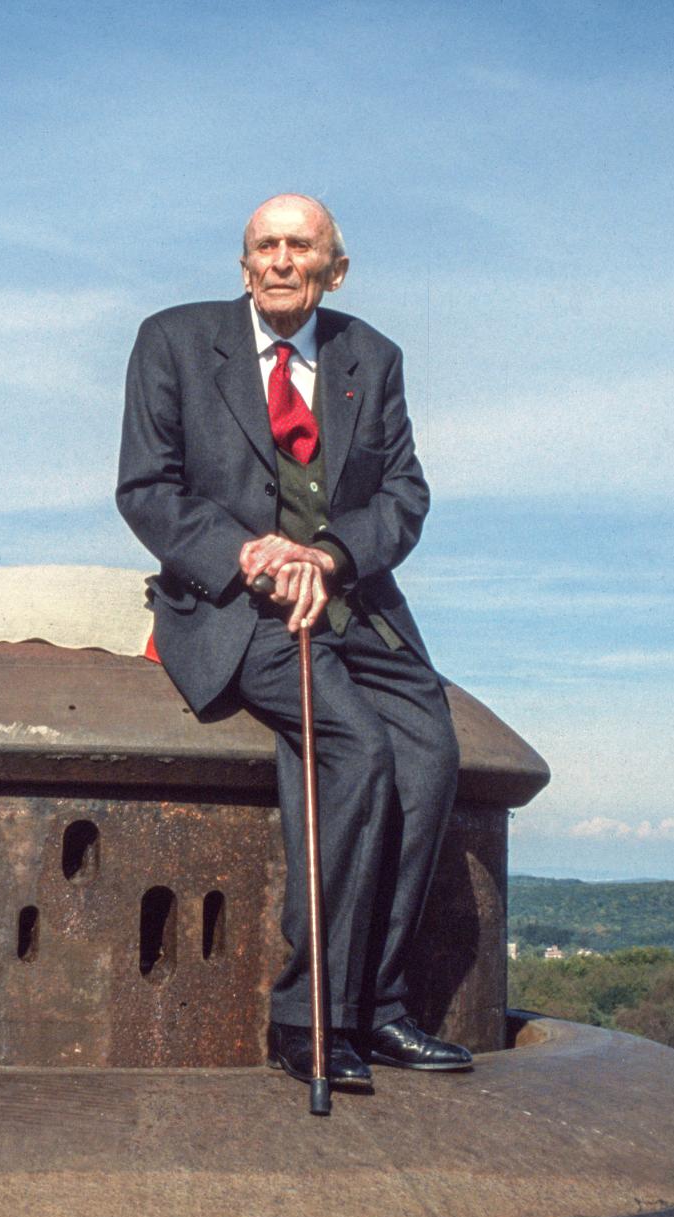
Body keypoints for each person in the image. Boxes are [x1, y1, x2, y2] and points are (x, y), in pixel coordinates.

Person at [116, 193, 470, 1090]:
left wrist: (329, 554)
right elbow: (146, 490)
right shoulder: (174, 340)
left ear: (333, 269)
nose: (279, 260)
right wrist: (249, 554)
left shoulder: (371, 356)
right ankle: (310, 1013)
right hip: (234, 603)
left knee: (427, 750)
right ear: (244, 266)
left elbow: (404, 495)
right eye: (263, 247)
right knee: (354, 746)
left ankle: (383, 1007)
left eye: (299, 247)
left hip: (351, 598)